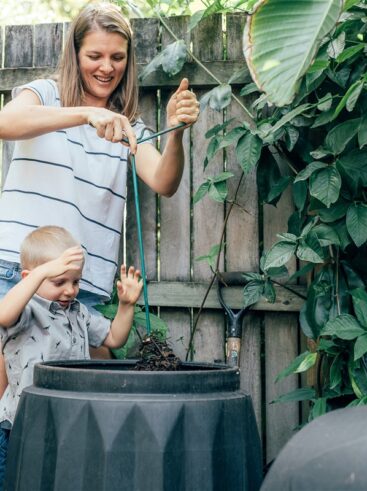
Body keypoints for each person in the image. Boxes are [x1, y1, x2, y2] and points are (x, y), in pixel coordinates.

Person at [0, 3, 199, 393]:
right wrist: (85, 116)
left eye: (117, 57)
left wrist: (175, 132)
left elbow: (164, 180)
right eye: (95, 55)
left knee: (68, 409)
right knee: (6, 408)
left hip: (80, 285)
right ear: (75, 56)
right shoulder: (46, 94)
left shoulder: (128, 127)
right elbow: (6, 123)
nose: (106, 67)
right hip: (16, 273)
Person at [0, 225, 143, 486]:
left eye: (75, 281)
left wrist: (126, 306)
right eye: (59, 281)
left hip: (68, 419)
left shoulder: (78, 312)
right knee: (18, 481)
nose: (70, 290)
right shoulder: (27, 310)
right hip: (21, 424)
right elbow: (3, 314)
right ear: (30, 277)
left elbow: (114, 338)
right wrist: (43, 271)